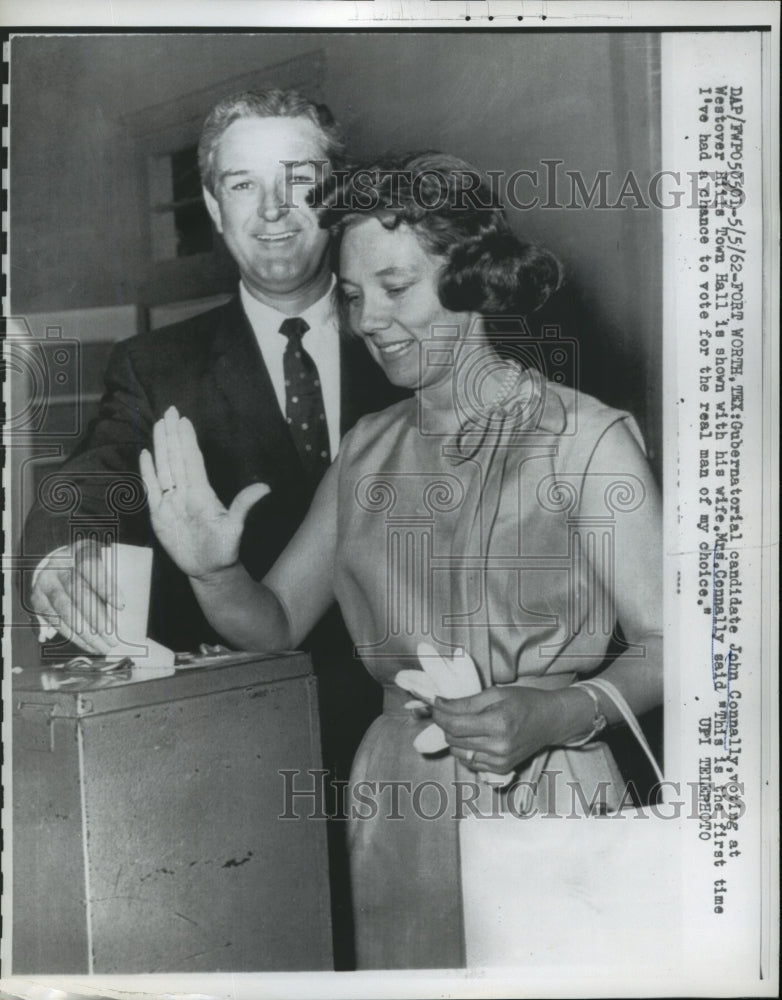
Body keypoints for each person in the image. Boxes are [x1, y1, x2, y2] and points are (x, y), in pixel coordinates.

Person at [140, 152, 663, 970]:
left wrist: (553, 713)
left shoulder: (583, 438)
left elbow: (679, 648)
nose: (368, 319)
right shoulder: (365, 452)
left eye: (395, 287)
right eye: (351, 297)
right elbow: (274, 624)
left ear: (473, 278)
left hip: (549, 777)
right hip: (395, 795)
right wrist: (213, 573)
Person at [22, 88, 403, 968]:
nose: (272, 213)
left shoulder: (417, 333)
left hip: (416, 743)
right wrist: (58, 552)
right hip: (243, 760)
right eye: (242, 186)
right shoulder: (158, 367)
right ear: (211, 207)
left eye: (299, 181)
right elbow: (93, 476)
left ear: (336, 192)